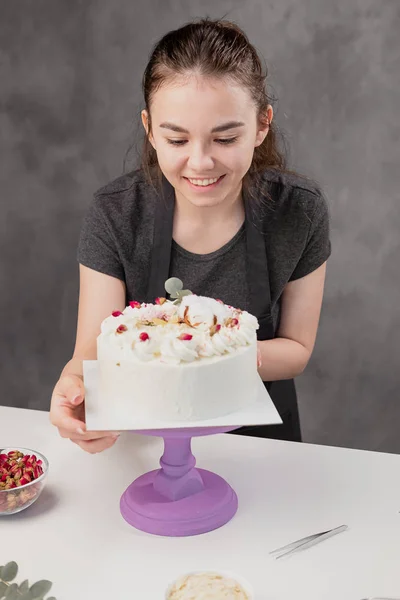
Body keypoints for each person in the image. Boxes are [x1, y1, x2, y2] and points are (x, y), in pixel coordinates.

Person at [50, 18, 331, 453]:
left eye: (225, 137)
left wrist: (219, 357)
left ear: (261, 125)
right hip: (142, 446)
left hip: (261, 452)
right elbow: (90, 354)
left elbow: (297, 348)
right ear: (149, 129)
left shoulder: (299, 211)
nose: (200, 162)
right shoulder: (115, 213)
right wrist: (73, 391)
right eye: (177, 139)